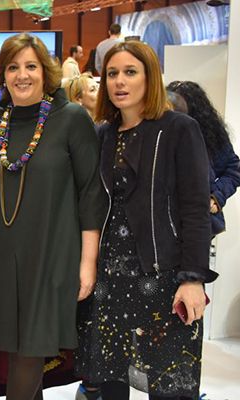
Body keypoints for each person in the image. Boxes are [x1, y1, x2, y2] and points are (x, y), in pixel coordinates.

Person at [75, 41, 218, 400]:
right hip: (110, 280)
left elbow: (195, 210)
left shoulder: (179, 129)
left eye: (130, 72)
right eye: (112, 74)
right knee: (110, 385)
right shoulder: (102, 135)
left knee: (172, 386)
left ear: (149, 77)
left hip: (165, 276)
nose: (119, 82)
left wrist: (193, 277)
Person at [0, 33, 107, 399]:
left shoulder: (71, 119)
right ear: (2, 74)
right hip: (2, 256)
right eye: (14, 67)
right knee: (17, 351)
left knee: (31, 351)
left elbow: (91, 194)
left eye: (31, 66)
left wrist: (87, 262)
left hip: (52, 255)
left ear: (45, 72)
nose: (22, 75)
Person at [167, 80, 240, 237]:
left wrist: (216, 198)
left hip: (197, 226)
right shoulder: (157, 134)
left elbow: (234, 169)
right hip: (161, 225)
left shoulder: (211, 136)